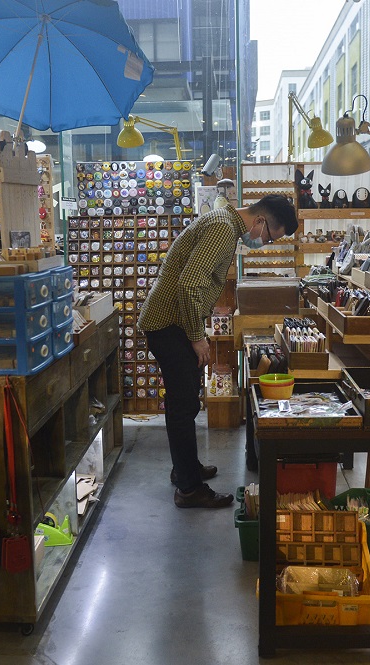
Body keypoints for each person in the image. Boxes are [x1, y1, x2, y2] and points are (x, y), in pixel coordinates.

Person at [138, 194, 298, 508]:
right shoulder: (223, 228)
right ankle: (188, 489)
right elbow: (188, 285)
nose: (263, 244)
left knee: (184, 402)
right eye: (268, 237)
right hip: (169, 325)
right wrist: (197, 336)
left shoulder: (224, 222)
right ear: (260, 221)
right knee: (183, 406)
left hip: (174, 322)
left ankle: (185, 468)